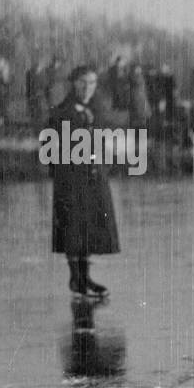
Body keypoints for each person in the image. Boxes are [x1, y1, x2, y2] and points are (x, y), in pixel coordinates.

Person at [46, 66, 120, 299]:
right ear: (73, 83)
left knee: (89, 227)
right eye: (82, 83)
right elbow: (50, 150)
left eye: (92, 83)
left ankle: (85, 277)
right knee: (73, 227)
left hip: (93, 177)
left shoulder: (95, 111)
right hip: (71, 179)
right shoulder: (61, 113)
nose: (88, 88)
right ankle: (76, 278)